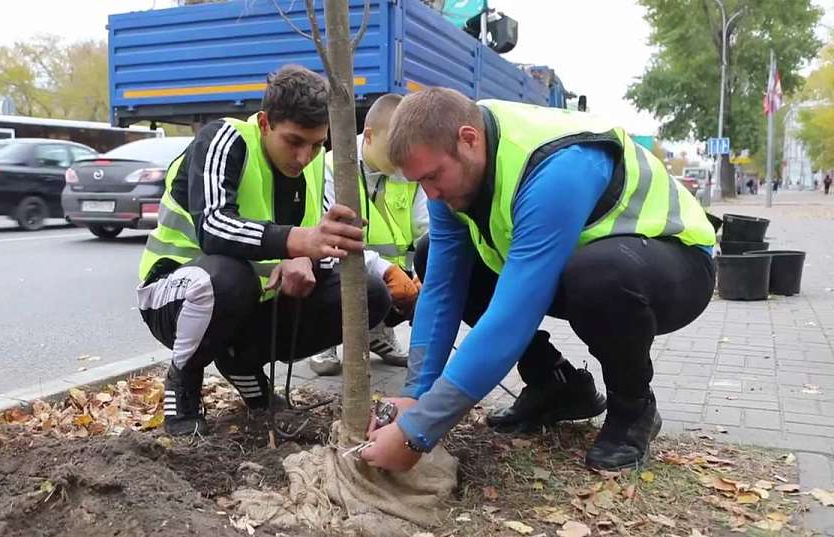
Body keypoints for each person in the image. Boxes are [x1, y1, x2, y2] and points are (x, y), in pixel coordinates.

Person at [359, 88, 716, 472]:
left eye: (433, 176)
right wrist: (415, 394)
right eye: (419, 183)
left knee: (598, 277)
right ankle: (557, 387)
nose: (430, 194)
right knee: (434, 253)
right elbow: (443, 290)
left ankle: (634, 409)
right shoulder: (457, 155)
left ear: (468, 139)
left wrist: (417, 432)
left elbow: (513, 319)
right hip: (576, 265)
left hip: (674, 263)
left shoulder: (554, 169)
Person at [136, 65, 390, 436]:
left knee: (368, 294)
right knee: (229, 277)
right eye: (294, 141)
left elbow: (307, 235)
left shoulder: (313, 166)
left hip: (249, 301)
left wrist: (302, 258)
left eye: (317, 144)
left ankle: (242, 362)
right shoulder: (225, 138)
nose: (305, 156)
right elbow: (212, 227)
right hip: (174, 295)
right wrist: (299, 243)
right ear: (265, 123)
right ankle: (184, 380)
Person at [310, 94, 429, 375]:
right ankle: (325, 340)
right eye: (394, 150)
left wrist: (426, 272)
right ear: (370, 136)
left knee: (426, 286)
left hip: (392, 274)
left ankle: (377, 333)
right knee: (332, 271)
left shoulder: (410, 173)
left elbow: (428, 228)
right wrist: (386, 269)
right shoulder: (331, 168)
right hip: (341, 267)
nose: (402, 162)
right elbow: (329, 243)